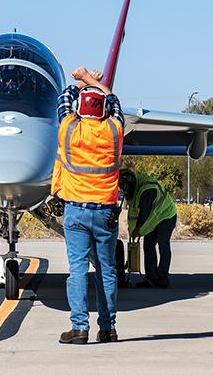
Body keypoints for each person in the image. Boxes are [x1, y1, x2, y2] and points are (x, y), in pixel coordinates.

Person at [51, 67, 124, 344]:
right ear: (104, 109)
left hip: (76, 212)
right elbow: (114, 101)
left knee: (78, 268)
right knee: (107, 270)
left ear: (79, 108)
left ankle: (79, 328)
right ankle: (108, 329)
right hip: (105, 211)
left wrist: (81, 79)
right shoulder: (114, 131)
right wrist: (93, 81)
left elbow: (64, 97)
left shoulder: (69, 129)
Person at [119, 169, 177, 288]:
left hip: (166, 215)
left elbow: (144, 213)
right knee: (148, 246)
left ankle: (162, 278)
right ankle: (151, 278)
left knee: (163, 244)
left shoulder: (147, 189)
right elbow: (134, 214)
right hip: (154, 218)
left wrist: (138, 229)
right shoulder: (134, 190)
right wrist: (133, 231)